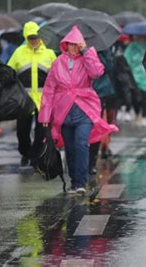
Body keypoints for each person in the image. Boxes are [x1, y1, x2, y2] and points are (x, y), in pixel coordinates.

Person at [38, 25, 118, 194]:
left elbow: (97, 72)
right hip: (64, 112)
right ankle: (75, 181)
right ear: (65, 44)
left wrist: (88, 51)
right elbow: (49, 90)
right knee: (70, 148)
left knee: (82, 143)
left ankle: (81, 182)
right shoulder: (58, 62)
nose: (74, 47)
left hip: (85, 109)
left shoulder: (87, 58)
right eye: (71, 44)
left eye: (77, 44)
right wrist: (45, 116)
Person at [7, 21, 57, 166]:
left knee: (41, 133)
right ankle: (25, 152)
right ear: (26, 37)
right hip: (24, 99)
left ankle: (35, 158)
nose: (34, 40)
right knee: (22, 132)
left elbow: (57, 76)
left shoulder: (49, 53)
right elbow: (9, 72)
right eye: (30, 37)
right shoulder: (18, 52)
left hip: (44, 100)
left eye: (36, 37)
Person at [123, 34, 146, 126]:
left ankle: (144, 116)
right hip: (134, 77)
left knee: (145, 97)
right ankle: (138, 113)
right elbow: (126, 59)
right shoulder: (132, 46)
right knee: (135, 97)